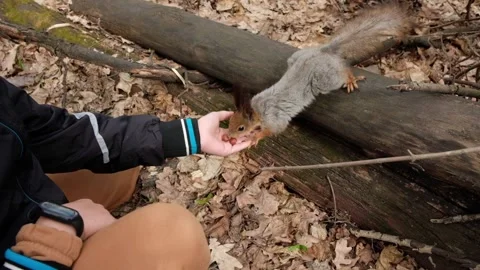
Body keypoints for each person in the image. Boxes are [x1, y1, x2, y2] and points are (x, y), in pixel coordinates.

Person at [0, 76, 251, 270]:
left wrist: (187, 135)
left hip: (18, 197)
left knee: (121, 160)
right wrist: (53, 235)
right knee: (174, 233)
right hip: (22, 254)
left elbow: (54, 132)